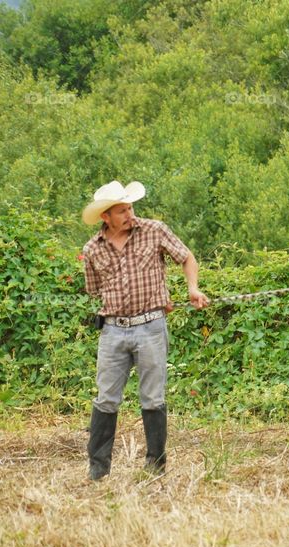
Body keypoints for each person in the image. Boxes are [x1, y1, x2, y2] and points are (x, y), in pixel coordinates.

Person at [80, 180, 209, 480]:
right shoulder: (92, 250)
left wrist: (192, 289)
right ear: (105, 217)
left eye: (130, 208)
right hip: (112, 331)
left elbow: (186, 257)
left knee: (152, 397)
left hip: (151, 327)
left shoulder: (154, 230)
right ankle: (98, 470)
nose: (129, 214)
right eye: (122, 210)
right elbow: (93, 289)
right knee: (106, 398)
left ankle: (155, 465)